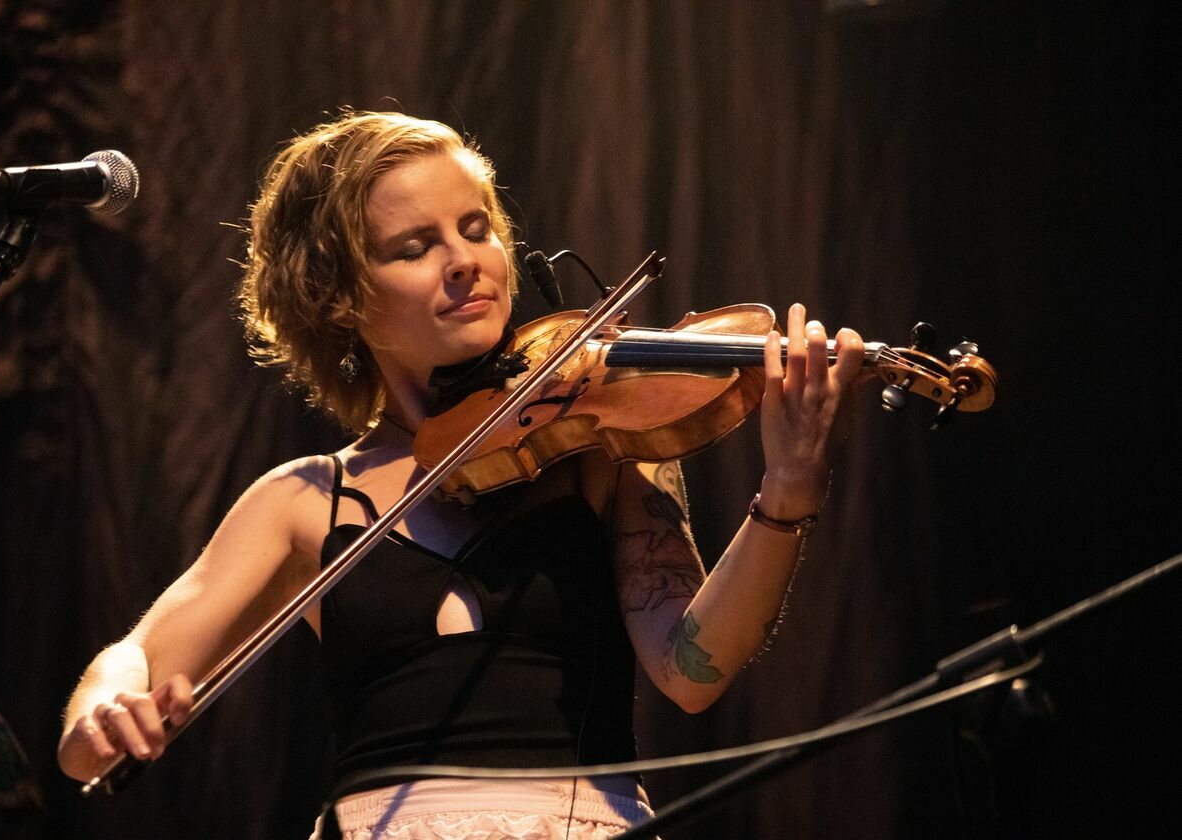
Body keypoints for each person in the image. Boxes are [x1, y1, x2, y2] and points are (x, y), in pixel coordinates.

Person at [56, 110, 865, 839]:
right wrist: (104, 710)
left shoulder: (602, 443)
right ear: (336, 297)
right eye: (415, 248)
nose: (464, 262)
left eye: (477, 229)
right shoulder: (307, 500)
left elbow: (692, 669)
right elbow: (134, 660)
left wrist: (788, 488)